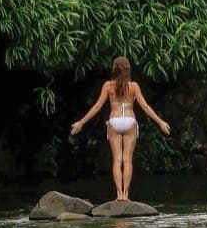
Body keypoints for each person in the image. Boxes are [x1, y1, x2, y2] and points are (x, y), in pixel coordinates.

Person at [70, 57, 170, 202]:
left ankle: (119, 194)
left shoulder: (108, 86)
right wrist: (160, 122)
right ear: (128, 69)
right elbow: (145, 106)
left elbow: (97, 106)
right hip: (129, 121)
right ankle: (126, 195)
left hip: (114, 121)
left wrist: (81, 122)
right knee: (127, 160)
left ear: (114, 69)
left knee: (117, 160)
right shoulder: (134, 86)